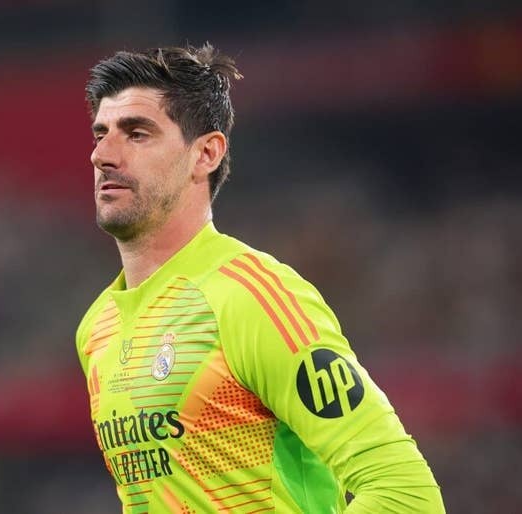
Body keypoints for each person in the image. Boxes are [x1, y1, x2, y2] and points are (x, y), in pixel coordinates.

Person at [75, 44, 445, 513]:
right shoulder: (97, 328)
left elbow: (405, 493)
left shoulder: (251, 297)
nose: (102, 155)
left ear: (205, 153)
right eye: (100, 133)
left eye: (137, 133)